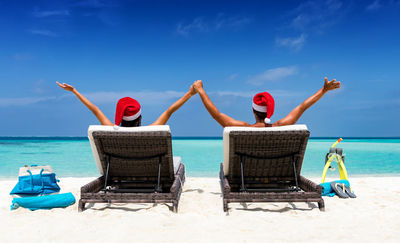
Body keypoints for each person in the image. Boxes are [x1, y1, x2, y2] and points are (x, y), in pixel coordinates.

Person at [192, 77, 341, 127]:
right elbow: (302, 107)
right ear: (271, 110)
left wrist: (201, 90)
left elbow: (216, 115)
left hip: (246, 176)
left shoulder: (244, 128)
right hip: (278, 175)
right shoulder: (281, 126)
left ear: (253, 110)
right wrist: (323, 90)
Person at [56, 81, 196, 127]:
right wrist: (190, 94)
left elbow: (95, 109)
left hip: (119, 174)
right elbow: (169, 111)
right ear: (139, 117)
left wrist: (74, 91)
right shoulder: (149, 131)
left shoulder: (111, 131)